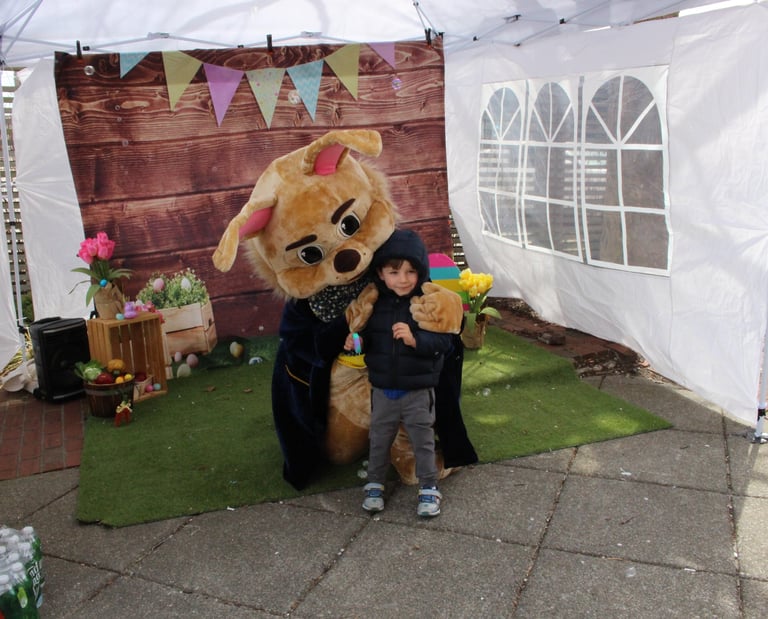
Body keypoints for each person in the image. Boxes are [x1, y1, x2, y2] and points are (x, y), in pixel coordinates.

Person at [344, 229, 455, 517]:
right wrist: (357, 342)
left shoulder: (427, 304)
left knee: (423, 441)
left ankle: (429, 487)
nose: (403, 279)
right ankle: (374, 485)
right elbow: (369, 338)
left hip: (418, 390)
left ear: (421, 272)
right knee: (379, 439)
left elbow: (444, 342)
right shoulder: (373, 305)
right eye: (394, 272)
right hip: (382, 390)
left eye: (410, 271)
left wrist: (416, 339)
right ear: (381, 273)